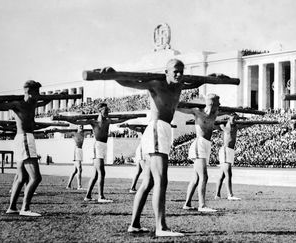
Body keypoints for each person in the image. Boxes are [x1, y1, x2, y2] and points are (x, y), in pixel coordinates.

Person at [99, 59, 229, 237]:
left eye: (181, 71)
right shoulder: (156, 84)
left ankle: (134, 224)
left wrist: (212, 77)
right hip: (156, 128)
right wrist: (113, 75)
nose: (179, 74)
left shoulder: (180, 85)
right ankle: (161, 227)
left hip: (165, 130)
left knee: (149, 182)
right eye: (175, 71)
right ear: (166, 71)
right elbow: (131, 83)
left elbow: (197, 81)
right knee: (161, 180)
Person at [0, 80, 50, 217]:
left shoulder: (32, 104)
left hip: (25, 138)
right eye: (37, 92)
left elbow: (44, 102)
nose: (39, 95)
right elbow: (0, 106)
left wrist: (58, 95)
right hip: (24, 138)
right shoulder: (19, 104)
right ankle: (25, 208)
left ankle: (12, 207)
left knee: (21, 177)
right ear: (30, 92)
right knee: (36, 178)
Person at [65, 103, 117, 203]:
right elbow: (79, 122)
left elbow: (120, 120)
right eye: (105, 111)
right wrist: (68, 119)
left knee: (96, 174)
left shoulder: (108, 121)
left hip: (104, 146)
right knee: (102, 172)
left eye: (108, 111)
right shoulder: (94, 122)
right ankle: (101, 197)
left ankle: (88, 196)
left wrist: (127, 120)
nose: (107, 113)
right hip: (97, 146)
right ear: (100, 111)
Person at [178, 93, 220, 212]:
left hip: (207, 145)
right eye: (217, 103)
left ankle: (187, 204)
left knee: (196, 178)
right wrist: (173, 104)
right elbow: (181, 109)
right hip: (199, 144)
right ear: (211, 103)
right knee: (204, 177)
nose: (219, 106)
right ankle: (202, 205)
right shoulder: (198, 112)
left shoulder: (215, 113)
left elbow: (226, 112)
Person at [215, 114, 241, 201]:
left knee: (222, 175)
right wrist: (223, 122)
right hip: (226, 150)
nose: (235, 120)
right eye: (233, 118)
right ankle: (230, 194)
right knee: (228, 173)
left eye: (236, 118)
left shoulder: (235, 126)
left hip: (230, 151)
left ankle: (217, 194)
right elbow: (222, 127)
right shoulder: (225, 127)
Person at [66, 125, 85, 190]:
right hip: (76, 150)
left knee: (75, 170)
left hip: (80, 150)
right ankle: (79, 186)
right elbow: (66, 132)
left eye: (82, 126)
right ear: (77, 127)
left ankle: (68, 185)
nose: (81, 127)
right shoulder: (74, 133)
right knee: (79, 169)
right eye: (80, 126)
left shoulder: (83, 133)